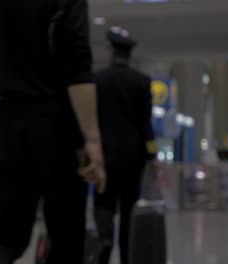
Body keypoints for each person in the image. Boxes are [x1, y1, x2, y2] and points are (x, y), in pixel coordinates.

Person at [0, 0, 106, 263]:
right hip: (55, 121)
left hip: (3, 118)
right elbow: (77, 65)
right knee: (65, 233)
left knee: (5, 234)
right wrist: (92, 138)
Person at [94, 28, 157, 264]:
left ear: (112, 52)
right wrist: (152, 156)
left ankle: (105, 240)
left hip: (105, 155)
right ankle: (127, 254)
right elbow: (145, 124)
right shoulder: (142, 82)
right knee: (129, 208)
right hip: (133, 158)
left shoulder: (98, 80)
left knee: (104, 202)